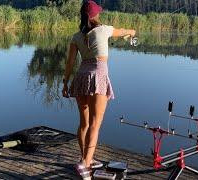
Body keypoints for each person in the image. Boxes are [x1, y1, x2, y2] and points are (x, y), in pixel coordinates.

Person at [62, 1, 136, 179]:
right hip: (98, 76)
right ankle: (85, 164)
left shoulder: (76, 37)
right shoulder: (103, 29)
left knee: (84, 123)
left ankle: (87, 158)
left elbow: (70, 62)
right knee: (95, 124)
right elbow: (122, 31)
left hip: (80, 78)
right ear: (95, 15)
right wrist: (132, 32)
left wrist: (65, 82)